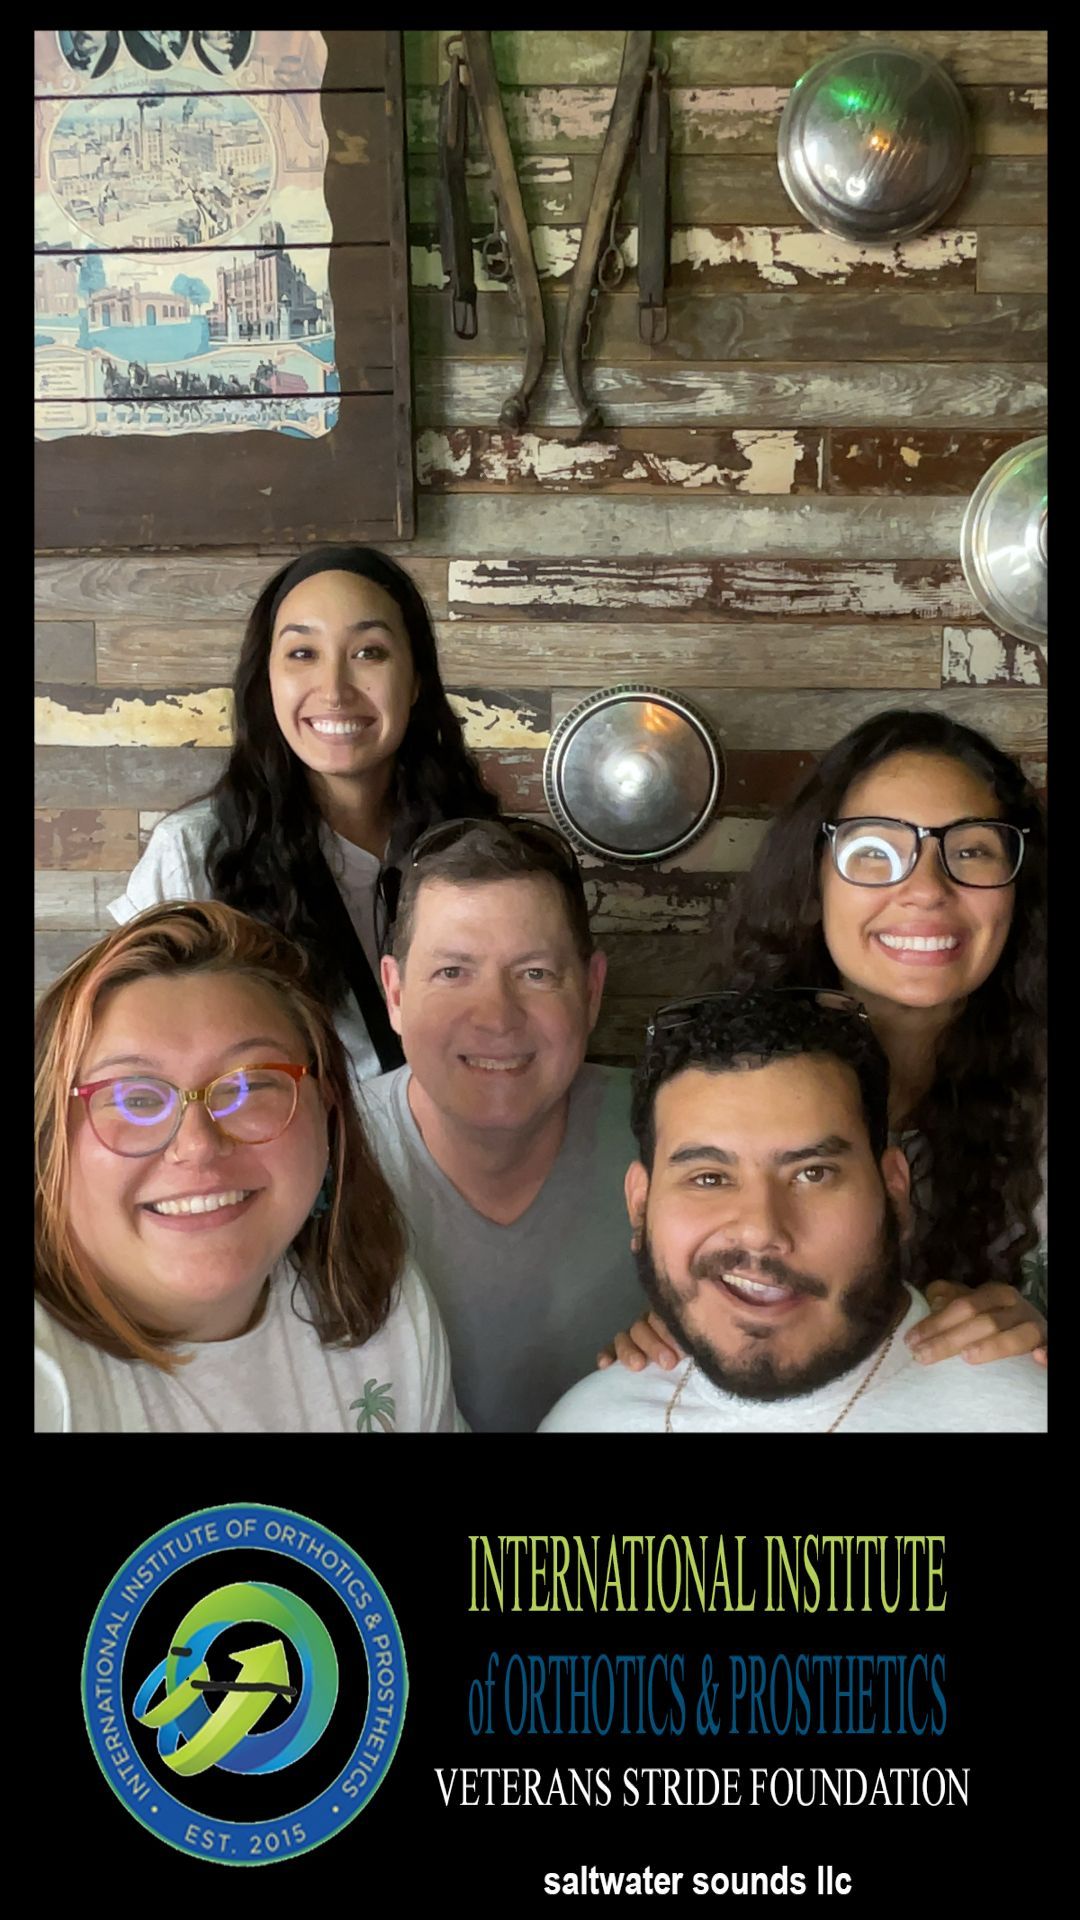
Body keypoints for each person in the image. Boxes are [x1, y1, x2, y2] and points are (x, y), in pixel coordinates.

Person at [606, 710, 1047, 1375]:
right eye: (876, 852)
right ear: (814, 877)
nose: (926, 890)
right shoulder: (715, 1075)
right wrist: (691, 1320)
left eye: (971, 850)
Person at [35, 902, 461, 1433]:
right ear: (52, 1139)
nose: (197, 1145)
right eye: (135, 1099)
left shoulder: (385, 1308)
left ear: (326, 1110)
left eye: (250, 1086)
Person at [542, 992, 1046, 1433]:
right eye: (709, 1179)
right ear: (640, 1206)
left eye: (813, 1173)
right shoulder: (582, 1421)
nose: (761, 1230)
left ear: (894, 1192)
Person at [109, 546, 498, 1087]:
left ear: (415, 682)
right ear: (266, 682)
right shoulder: (195, 855)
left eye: (369, 652)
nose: (335, 691)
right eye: (302, 654)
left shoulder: (477, 840)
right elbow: (131, 1062)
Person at [359, 816, 645, 1433]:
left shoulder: (678, 1136)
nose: (495, 1017)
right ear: (395, 994)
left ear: (592, 992)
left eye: (535, 974)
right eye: (452, 972)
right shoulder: (317, 1157)